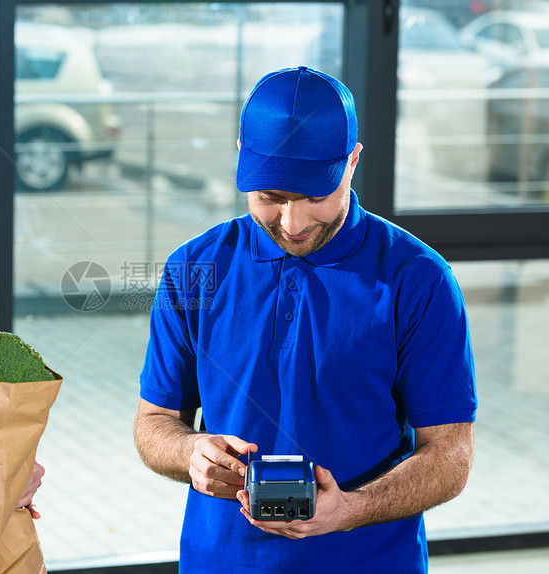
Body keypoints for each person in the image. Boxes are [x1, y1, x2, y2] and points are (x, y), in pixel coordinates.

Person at [134, 66, 477, 573]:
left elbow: (450, 455)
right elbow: (154, 423)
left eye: (316, 197)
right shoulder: (193, 269)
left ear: (353, 162)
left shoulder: (418, 279)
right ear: (243, 161)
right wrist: (189, 454)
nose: (293, 225)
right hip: (219, 561)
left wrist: (349, 510)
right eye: (272, 198)